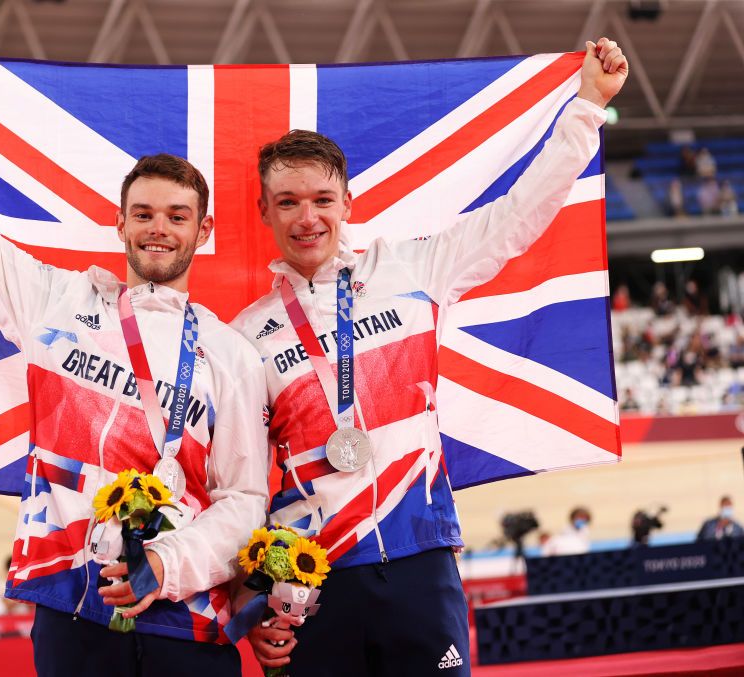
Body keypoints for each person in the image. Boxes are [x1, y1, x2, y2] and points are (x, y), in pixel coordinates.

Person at [0, 46, 268, 676]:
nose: (159, 229)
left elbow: (243, 498)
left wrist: (169, 562)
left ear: (202, 231)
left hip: (189, 616)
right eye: (144, 214)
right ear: (120, 224)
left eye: (177, 217)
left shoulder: (232, 353)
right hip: (70, 600)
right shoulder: (58, 301)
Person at [232, 38, 627, 675]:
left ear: (347, 204)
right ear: (265, 212)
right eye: (288, 202)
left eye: (322, 200)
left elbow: (519, 215)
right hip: (311, 580)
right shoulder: (244, 336)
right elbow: (242, 482)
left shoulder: (413, 269)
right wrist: (251, 603)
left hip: (420, 558)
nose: (307, 217)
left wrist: (587, 106)